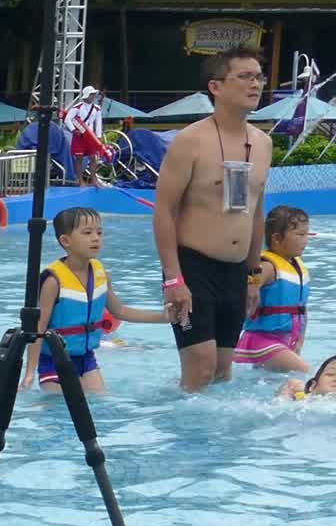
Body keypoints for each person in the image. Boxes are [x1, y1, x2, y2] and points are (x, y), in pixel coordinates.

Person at [154, 47, 274, 393]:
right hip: (194, 266)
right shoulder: (190, 141)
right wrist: (173, 278)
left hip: (236, 270)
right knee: (201, 369)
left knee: (222, 371)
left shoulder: (263, 143)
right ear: (216, 87)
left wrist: (253, 275)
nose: (255, 84)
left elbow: (256, 211)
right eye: (245, 76)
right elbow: (164, 210)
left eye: (259, 77)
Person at [22, 208, 166, 394]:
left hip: (86, 359)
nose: (96, 238)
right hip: (54, 361)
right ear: (65, 241)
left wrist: (164, 317)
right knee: (60, 406)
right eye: (87, 233)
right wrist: (29, 373)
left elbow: (120, 311)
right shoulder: (53, 281)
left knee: (100, 401)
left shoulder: (101, 274)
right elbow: (38, 328)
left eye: (99, 232)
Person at [233, 205, 311, 374]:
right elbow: (247, 287)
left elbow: (302, 310)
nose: (306, 240)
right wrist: (252, 285)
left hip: (286, 340)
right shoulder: (268, 267)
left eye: (307, 234)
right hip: (261, 340)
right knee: (303, 371)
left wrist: (300, 340)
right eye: (300, 235)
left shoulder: (297, 267)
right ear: (277, 238)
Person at [64, 86, 106, 185]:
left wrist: (98, 137)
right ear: (86, 95)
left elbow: (98, 123)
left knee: (93, 158)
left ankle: (94, 179)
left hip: (91, 137)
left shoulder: (97, 108)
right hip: (79, 136)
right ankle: (80, 180)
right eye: (91, 94)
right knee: (79, 159)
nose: (93, 96)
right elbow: (67, 119)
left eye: (94, 94)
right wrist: (74, 130)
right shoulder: (77, 107)